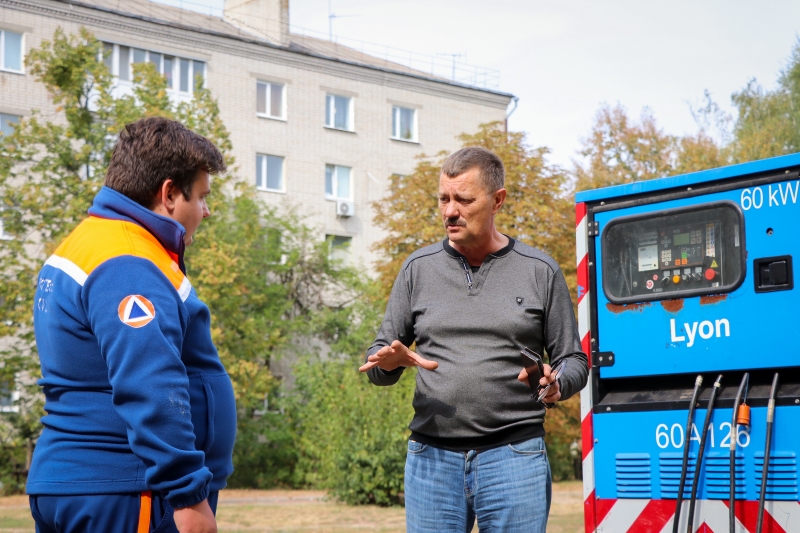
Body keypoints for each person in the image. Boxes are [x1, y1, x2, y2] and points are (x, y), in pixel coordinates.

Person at [359, 146, 588, 533]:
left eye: (463, 200)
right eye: (444, 199)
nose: (450, 211)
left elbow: (574, 360)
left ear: (497, 200)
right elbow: (377, 358)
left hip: (515, 456)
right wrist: (386, 362)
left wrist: (556, 382)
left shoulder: (539, 270)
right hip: (431, 459)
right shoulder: (418, 269)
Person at [27, 117, 236, 533]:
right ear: (170, 193)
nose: (206, 211)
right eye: (201, 197)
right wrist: (188, 494)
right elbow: (150, 382)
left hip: (87, 483)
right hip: (124, 489)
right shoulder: (128, 260)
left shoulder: (90, 242)